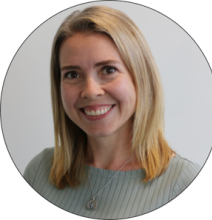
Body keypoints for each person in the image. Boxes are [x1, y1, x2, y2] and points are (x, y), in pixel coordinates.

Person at [23, 5, 201, 219]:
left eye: (108, 70)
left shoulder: (182, 182)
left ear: (140, 78)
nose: (90, 91)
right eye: (72, 74)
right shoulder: (39, 171)